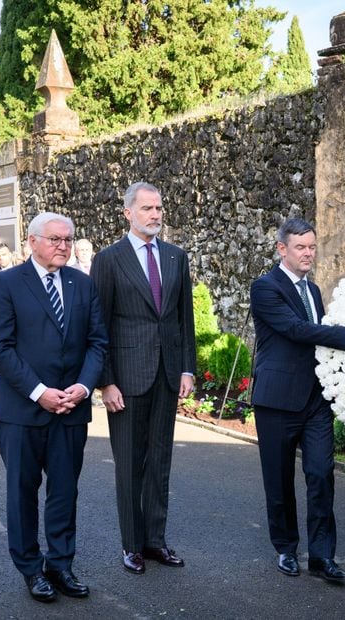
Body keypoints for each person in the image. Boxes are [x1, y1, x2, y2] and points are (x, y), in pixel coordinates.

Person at [249, 217, 345, 582]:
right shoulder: (265, 288)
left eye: (311, 247)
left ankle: (322, 556)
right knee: (278, 481)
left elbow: (317, 336)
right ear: (282, 249)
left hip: (315, 400)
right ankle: (287, 549)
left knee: (321, 474)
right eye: (300, 247)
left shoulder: (315, 289)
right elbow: (296, 330)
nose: (308, 254)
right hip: (276, 401)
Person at [0, 212, 107, 603]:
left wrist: (84, 387)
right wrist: (39, 392)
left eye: (68, 240)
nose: (63, 246)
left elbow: (97, 342)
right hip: (21, 411)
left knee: (64, 491)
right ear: (32, 241)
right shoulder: (6, 283)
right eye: (55, 239)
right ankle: (31, 569)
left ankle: (61, 564)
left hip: (71, 408)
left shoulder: (83, 284)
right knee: (23, 491)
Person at [90, 182, 196, 575]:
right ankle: (132, 545)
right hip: (127, 381)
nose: (155, 214)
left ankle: (155, 541)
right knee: (130, 465)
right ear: (128, 213)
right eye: (148, 208)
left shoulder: (175, 257)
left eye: (159, 207)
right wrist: (106, 382)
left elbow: (183, 318)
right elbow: (97, 325)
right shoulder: (109, 260)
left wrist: (187, 368)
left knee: (160, 464)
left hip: (167, 375)